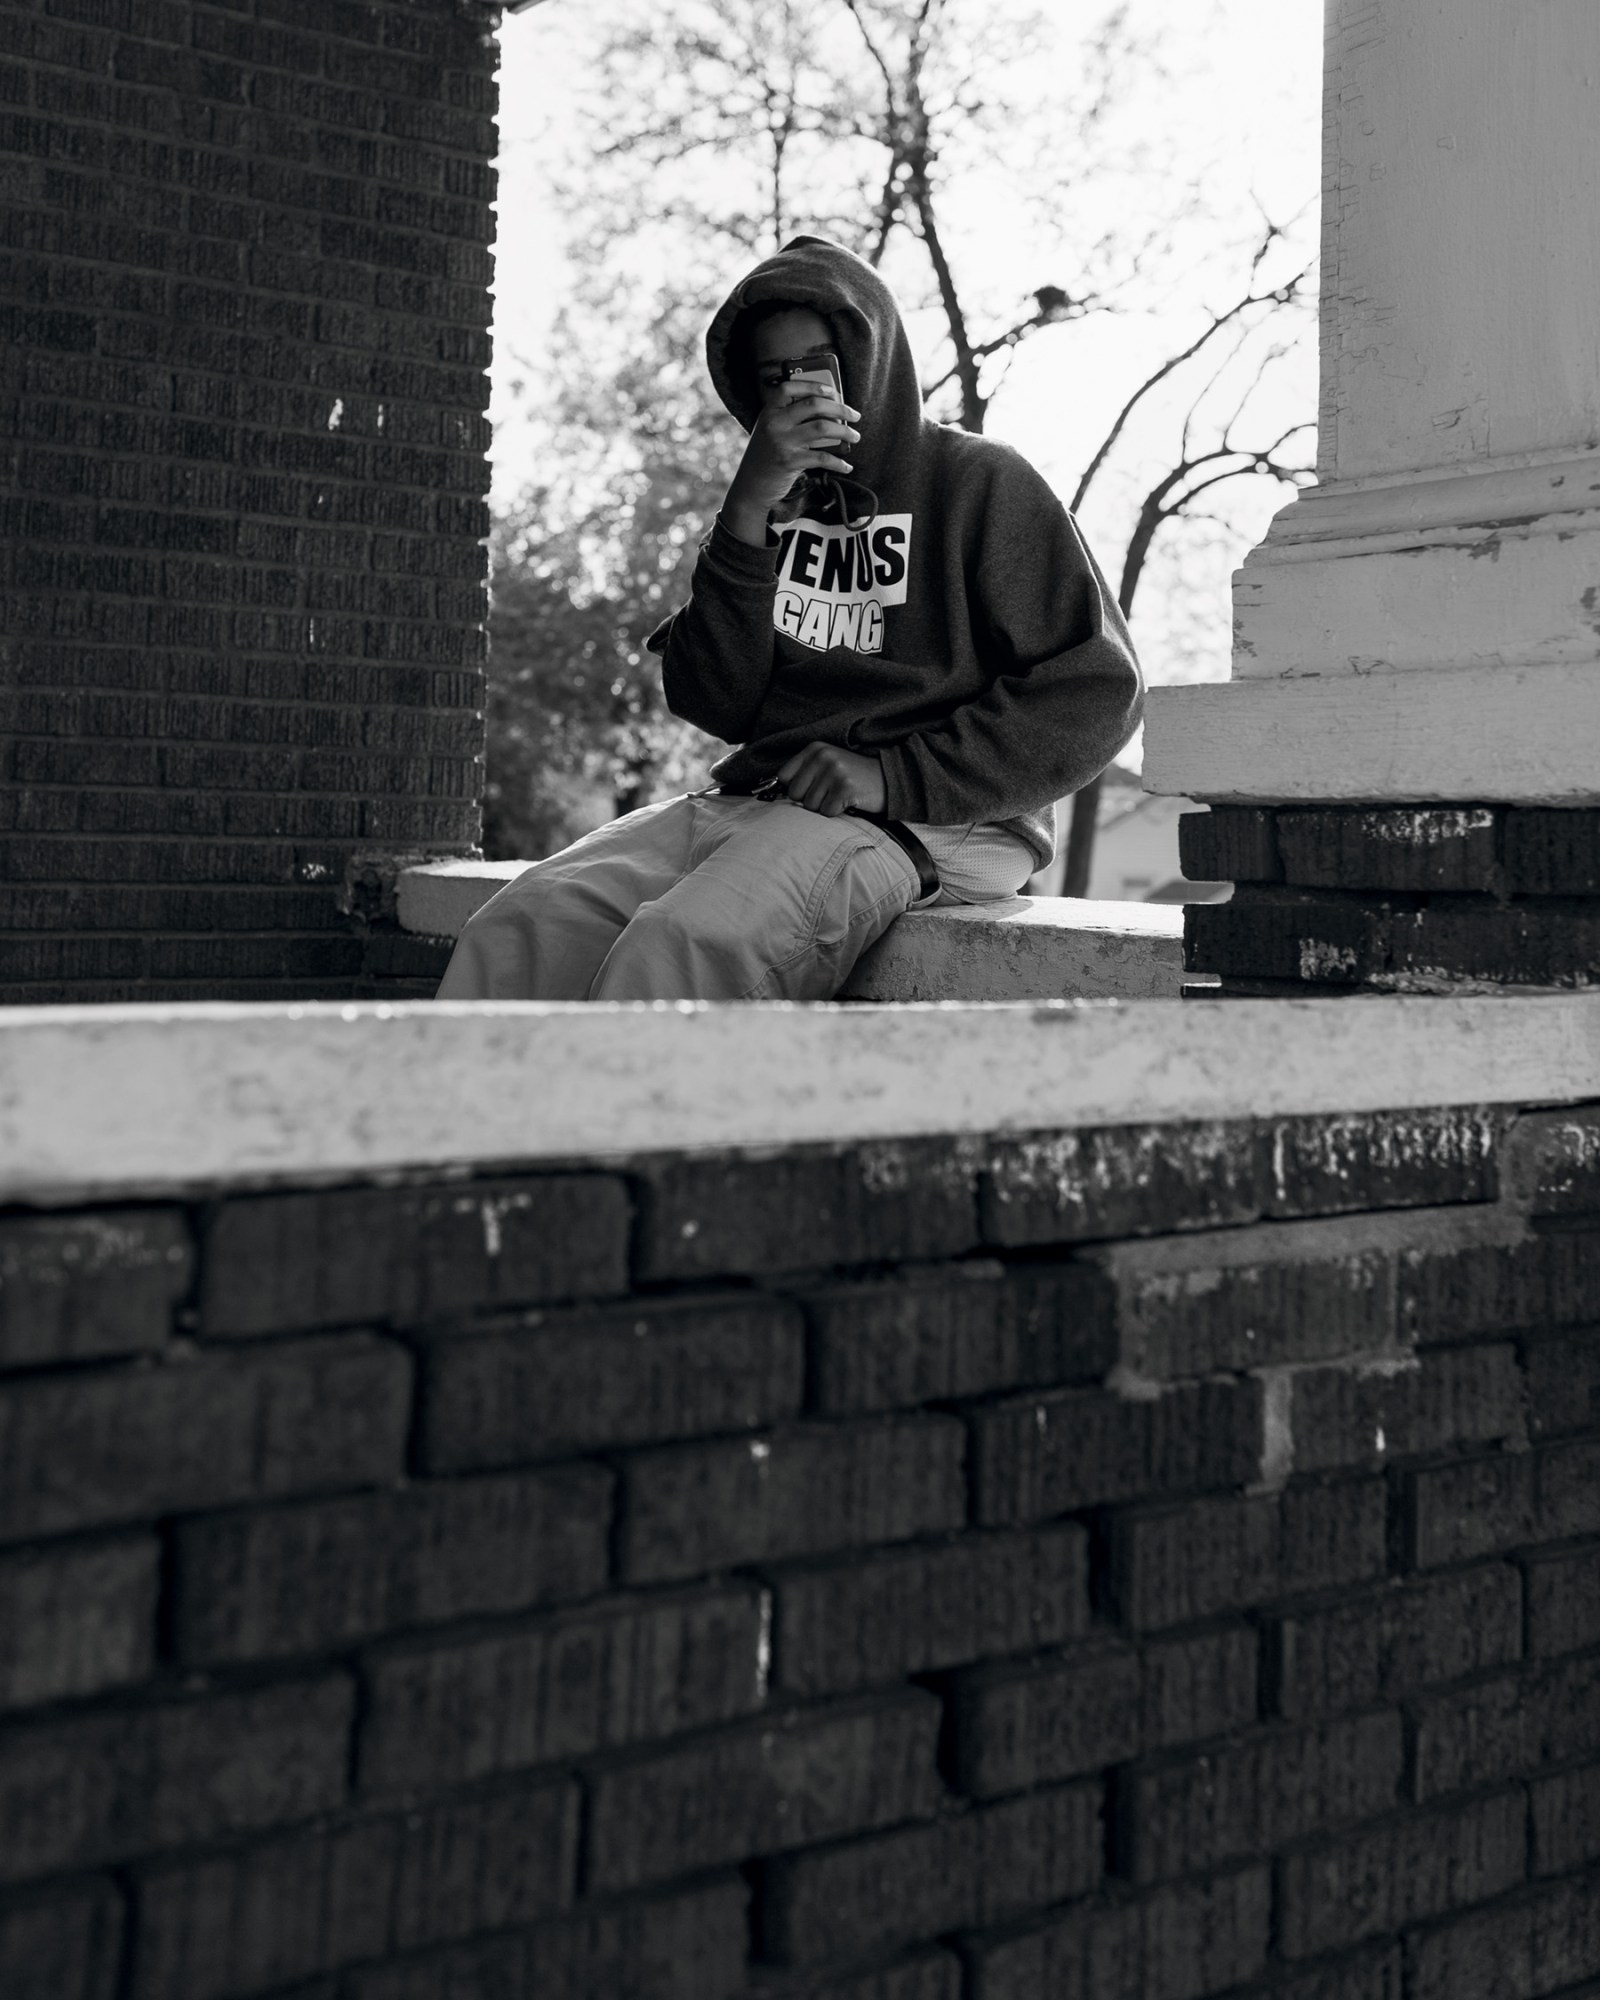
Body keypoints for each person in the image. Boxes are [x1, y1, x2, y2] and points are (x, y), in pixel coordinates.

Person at [436, 234, 1142, 1002]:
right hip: (759, 801)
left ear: (871, 362)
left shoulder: (981, 483)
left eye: (818, 368)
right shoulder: (769, 509)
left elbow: (1097, 687)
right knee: (519, 928)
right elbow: (715, 701)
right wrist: (745, 516)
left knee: (683, 948)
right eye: (774, 379)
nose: (797, 395)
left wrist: (892, 773)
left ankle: (643, 1127)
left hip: (933, 817)